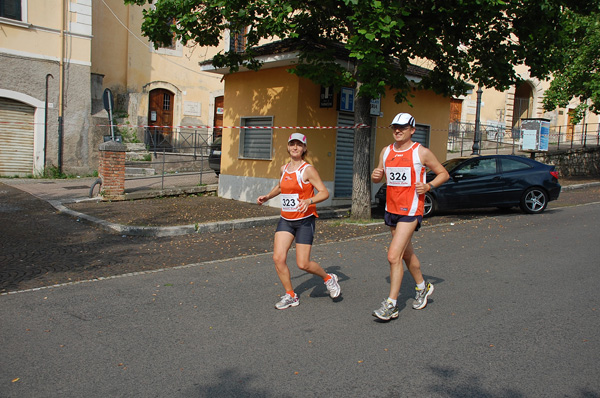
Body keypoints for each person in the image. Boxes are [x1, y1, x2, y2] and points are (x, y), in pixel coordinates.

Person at [371, 113, 449, 321]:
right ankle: (423, 287)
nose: (398, 130)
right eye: (395, 127)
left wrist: (429, 186)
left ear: (412, 130)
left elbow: (443, 173)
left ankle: (391, 305)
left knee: (393, 255)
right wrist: (376, 175)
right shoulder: (386, 151)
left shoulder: (421, 152)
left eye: (403, 127)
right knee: (406, 254)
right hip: (392, 209)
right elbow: (379, 174)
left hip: (412, 210)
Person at [257, 133, 341, 310]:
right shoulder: (283, 168)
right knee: (278, 258)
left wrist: (309, 201)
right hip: (286, 219)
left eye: (299, 145)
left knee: (303, 264)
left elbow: (324, 192)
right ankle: (291, 295)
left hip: (304, 220)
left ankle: (328, 278)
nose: (295, 147)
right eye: (292, 144)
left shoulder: (307, 170)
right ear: (288, 147)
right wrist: (267, 196)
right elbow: (281, 186)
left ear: (304, 148)